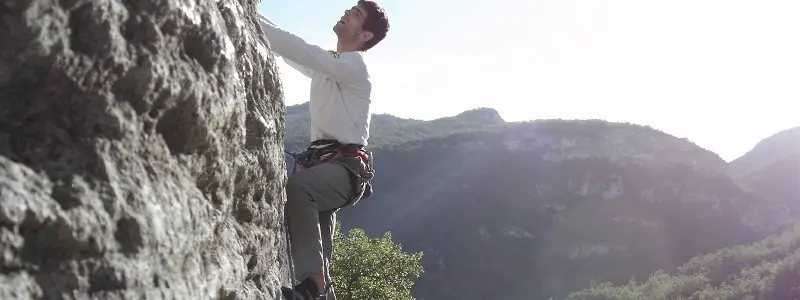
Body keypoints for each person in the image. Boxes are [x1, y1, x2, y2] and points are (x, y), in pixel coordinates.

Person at [257, 1, 390, 299]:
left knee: (300, 188)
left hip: (344, 168)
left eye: (356, 14)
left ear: (365, 35)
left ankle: (313, 283)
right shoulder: (331, 65)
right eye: (351, 8)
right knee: (320, 240)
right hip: (326, 165)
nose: (347, 12)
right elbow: (289, 46)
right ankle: (319, 289)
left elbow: (300, 49)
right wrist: (252, 14)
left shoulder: (355, 64)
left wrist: (244, 12)